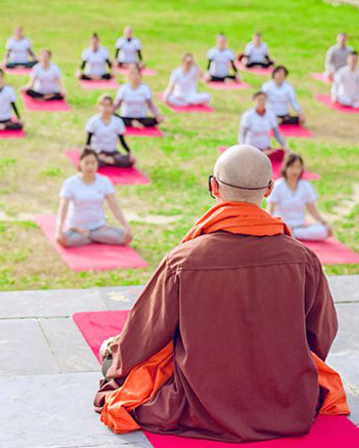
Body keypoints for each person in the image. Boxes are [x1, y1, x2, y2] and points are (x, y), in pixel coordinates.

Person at [94, 144, 342, 443]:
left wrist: (115, 355)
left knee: (115, 363)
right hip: (286, 400)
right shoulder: (302, 258)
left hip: (200, 401)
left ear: (214, 187)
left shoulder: (184, 260)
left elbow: (145, 335)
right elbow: (321, 333)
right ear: (268, 190)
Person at [55, 147, 133, 248]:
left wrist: (126, 226)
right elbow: (63, 208)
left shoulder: (104, 181)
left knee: (126, 237)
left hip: (99, 227)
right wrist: (59, 229)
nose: (90, 166)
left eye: (93, 163)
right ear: (80, 163)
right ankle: (93, 236)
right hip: (76, 228)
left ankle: (90, 236)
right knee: (63, 240)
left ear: (97, 164)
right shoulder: (70, 183)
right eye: (86, 163)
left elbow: (115, 206)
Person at [267, 154, 332, 241]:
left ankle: (292, 235)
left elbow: (312, 209)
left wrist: (324, 223)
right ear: (285, 167)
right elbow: (270, 210)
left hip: (299, 227)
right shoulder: (278, 185)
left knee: (323, 231)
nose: (295, 171)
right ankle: (288, 234)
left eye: (298, 167)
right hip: (281, 226)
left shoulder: (305, 185)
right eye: (292, 167)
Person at [86, 95, 134, 168]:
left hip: (112, 153)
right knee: (92, 162)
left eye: (108, 106)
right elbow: (88, 142)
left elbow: (122, 141)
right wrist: (89, 153)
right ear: (98, 107)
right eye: (103, 105)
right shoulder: (93, 121)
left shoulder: (118, 121)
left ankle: (109, 160)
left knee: (129, 160)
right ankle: (109, 161)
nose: (106, 109)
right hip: (98, 152)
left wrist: (130, 152)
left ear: (112, 107)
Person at [239, 91, 287, 162]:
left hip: (266, 149)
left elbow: (276, 133)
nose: (262, 102)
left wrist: (284, 145)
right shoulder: (248, 115)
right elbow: (242, 134)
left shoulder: (270, 114)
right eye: (259, 100)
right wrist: (242, 148)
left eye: (263, 100)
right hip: (252, 149)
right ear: (254, 101)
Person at [114, 64, 162, 128]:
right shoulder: (123, 88)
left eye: (136, 74)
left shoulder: (145, 88)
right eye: (132, 74)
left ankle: (135, 123)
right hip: (126, 118)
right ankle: (132, 123)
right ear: (128, 76)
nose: (134, 77)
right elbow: (117, 104)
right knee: (115, 117)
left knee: (156, 120)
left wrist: (157, 115)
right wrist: (110, 111)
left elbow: (150, 105)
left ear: (140, 76)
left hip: (141, 118)